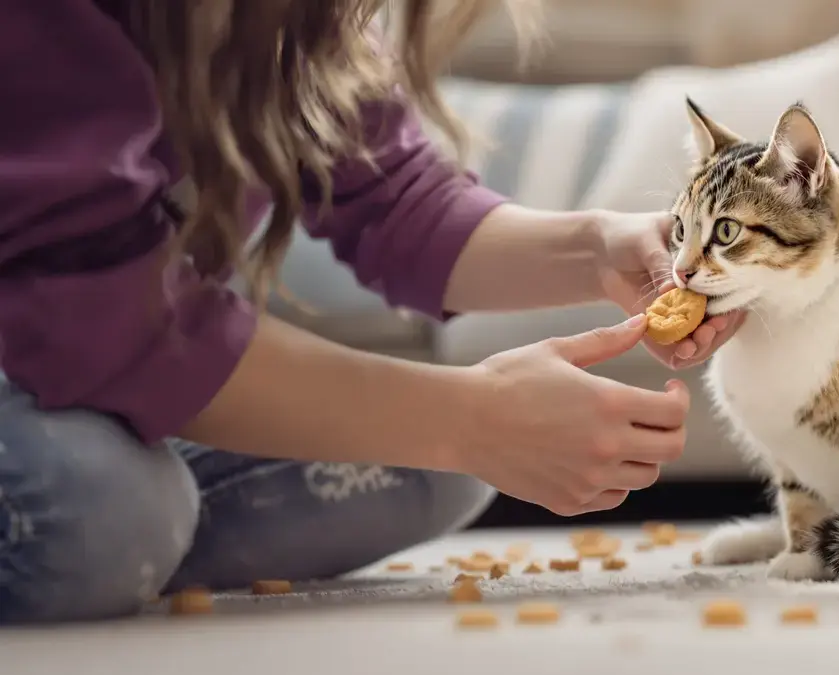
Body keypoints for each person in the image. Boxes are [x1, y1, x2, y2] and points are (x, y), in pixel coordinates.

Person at [0, 0, 744, 624]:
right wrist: (476, 417)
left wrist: (595, 248)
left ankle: (124, 528)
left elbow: (402, 204)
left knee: (441, 470)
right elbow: (104, 313)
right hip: (47, 351)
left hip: (83, 364)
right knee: (100, 511)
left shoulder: (301, 21)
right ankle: (118, 527)